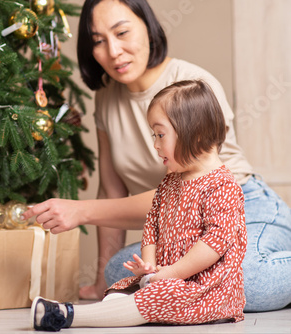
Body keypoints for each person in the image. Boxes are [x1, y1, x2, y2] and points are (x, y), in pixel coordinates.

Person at [22, 0, 291, 312]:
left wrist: (82, 211)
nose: (113, 51)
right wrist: (100, 283)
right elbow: (112, 189)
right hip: (181, 230)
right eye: (98, 41)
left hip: (243, 209)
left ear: (149, 30)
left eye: (122, 32)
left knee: (248, 280)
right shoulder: (107, 96)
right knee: (120, 271)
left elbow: (192, 191)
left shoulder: (192, 86)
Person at [31, 80, 247, 331]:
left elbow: (215, 243)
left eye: (160, 135)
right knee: (120, 289)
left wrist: (170, 274)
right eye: (153, 135)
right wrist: (149, 267)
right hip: (166, 275)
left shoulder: (222, 186)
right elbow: (152, 225)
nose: (155, 144)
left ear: (195, 133)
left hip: (204, 289)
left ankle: (66, 316)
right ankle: (111, 309)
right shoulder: (170, 181)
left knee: (157, 295)